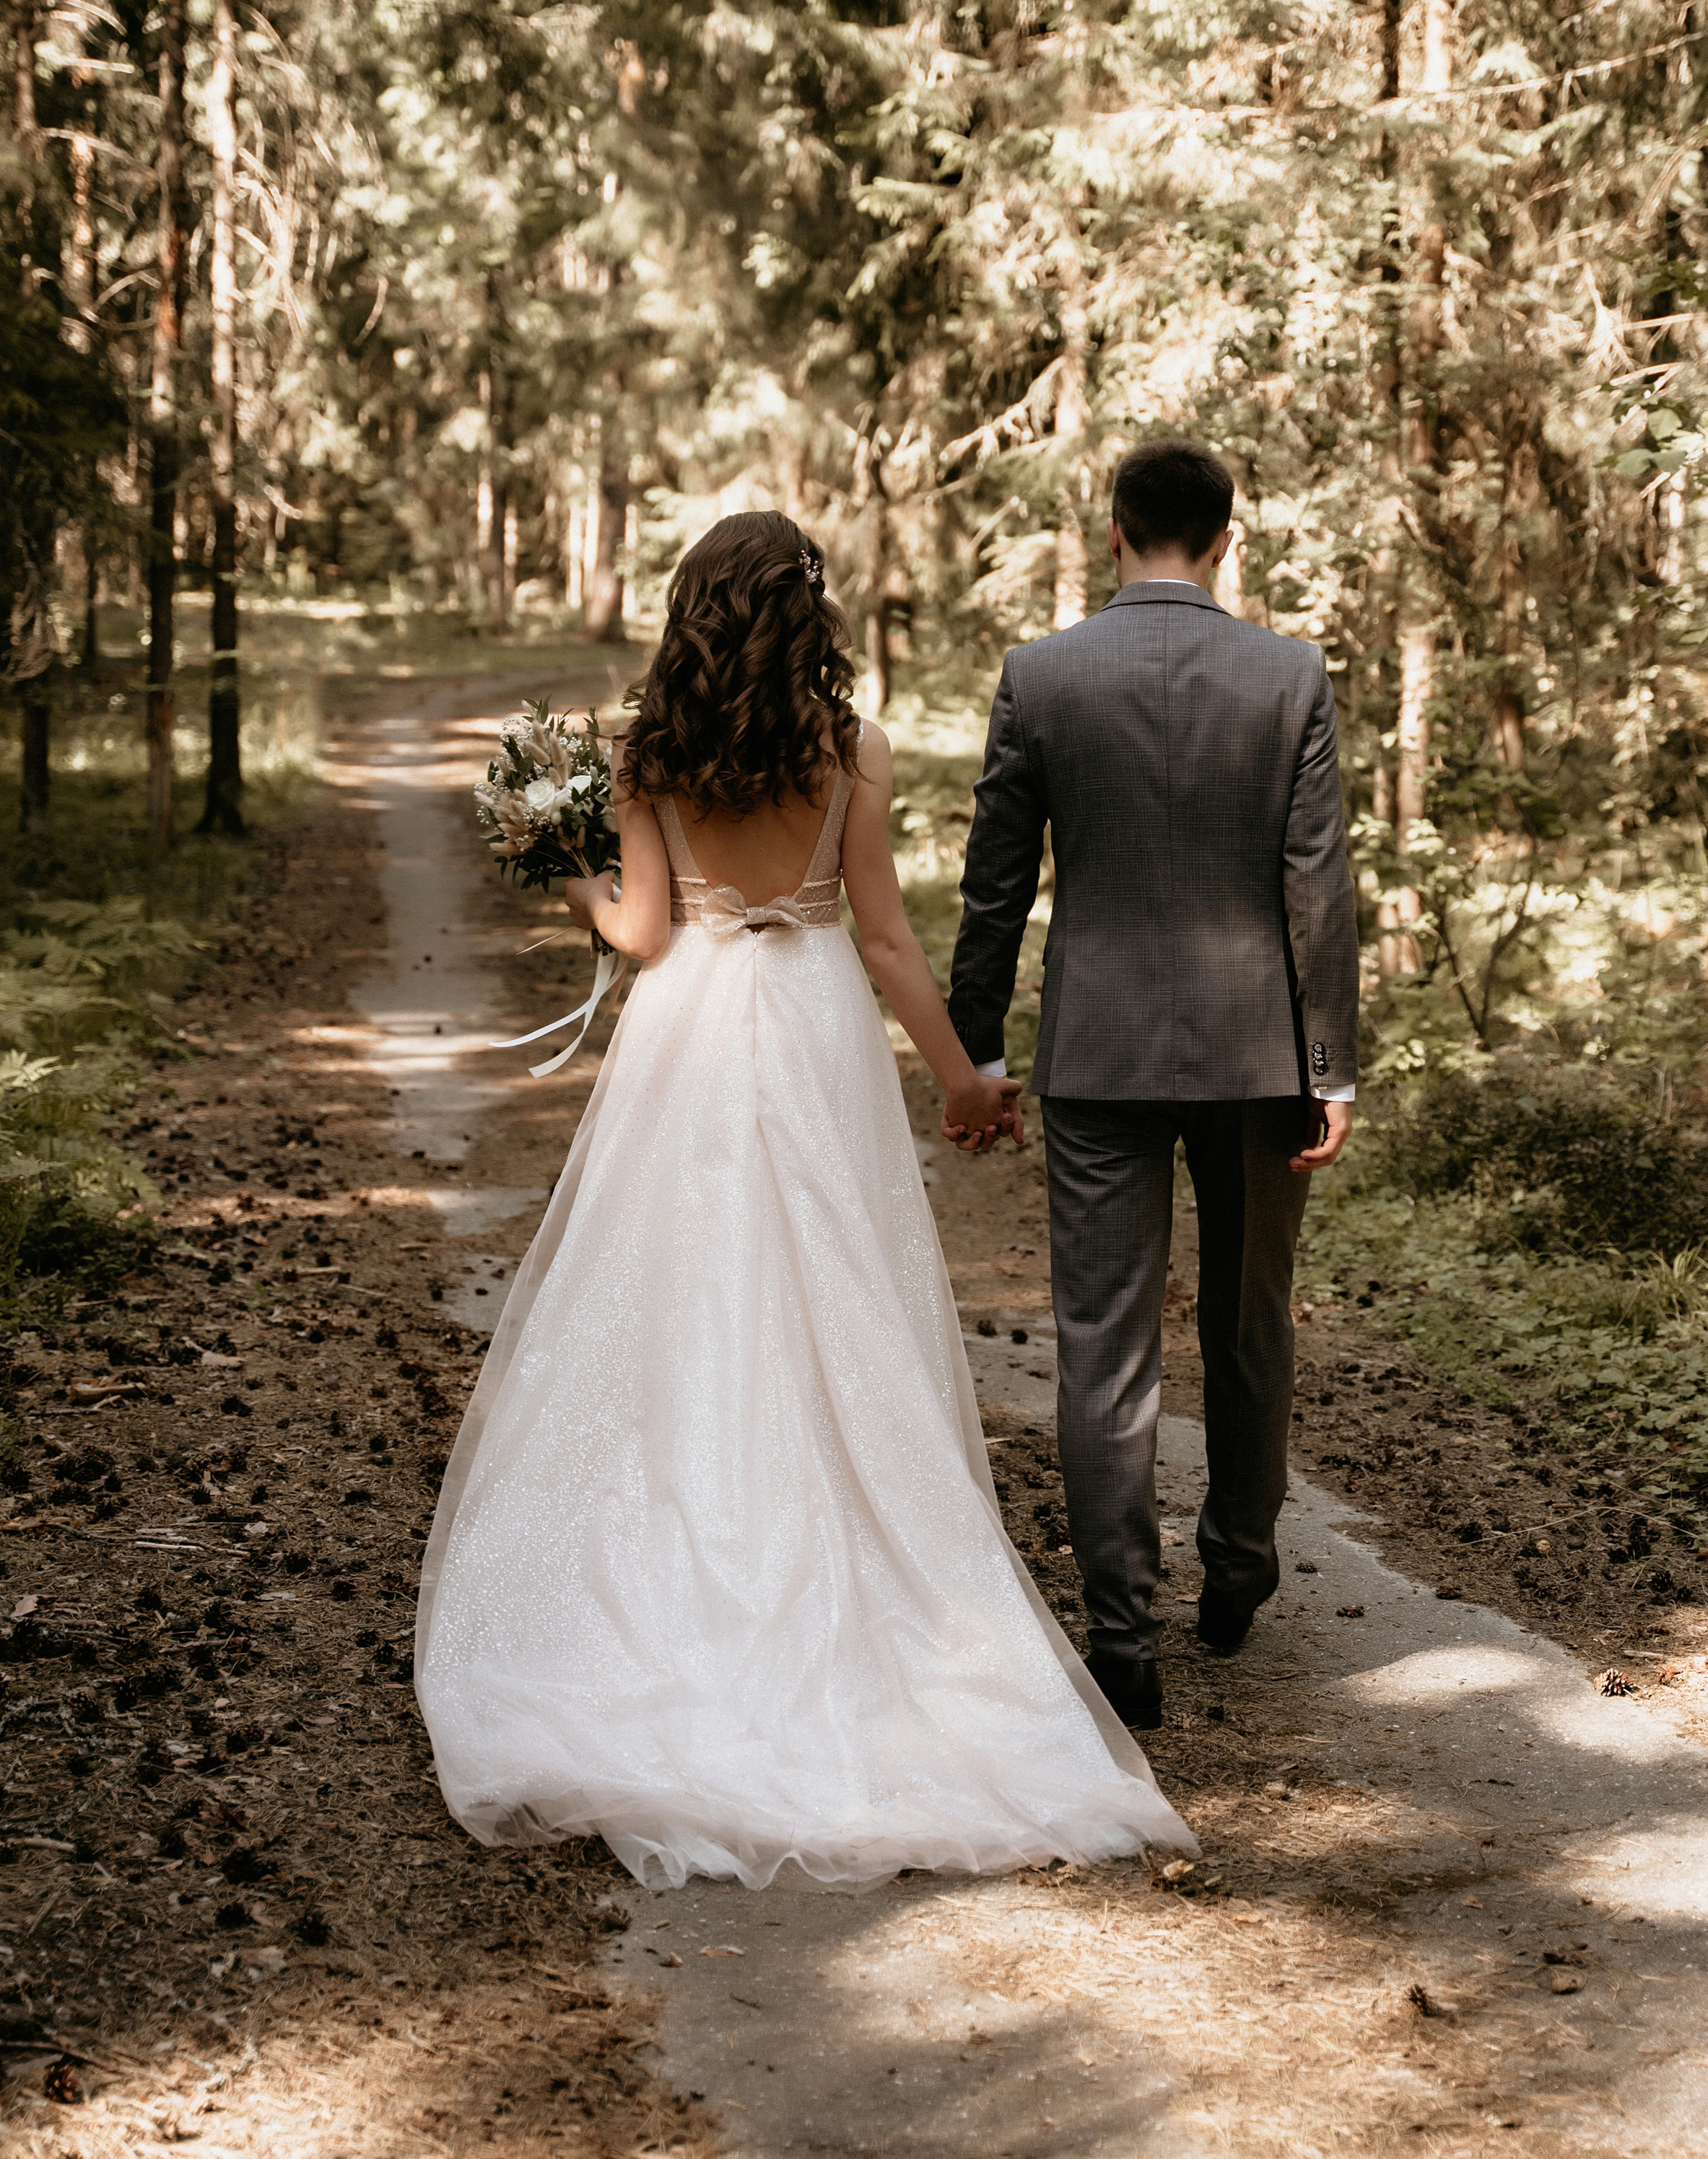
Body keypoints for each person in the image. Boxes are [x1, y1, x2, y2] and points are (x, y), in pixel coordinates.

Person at [416, 510, 1192, 1889]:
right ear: (809, 612)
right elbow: (887, 934)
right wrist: (963, 1079)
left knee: (682, 1293)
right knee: (837, 1285)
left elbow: (644, 934)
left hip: (697, 1030)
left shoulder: (648, 751)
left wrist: (582, 872)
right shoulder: (854, 748)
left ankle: (676, 1567)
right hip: (821, 1017)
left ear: (695, 610)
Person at [946, 438, 1360, 1732]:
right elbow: (1319, 891)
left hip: (1100, 1057)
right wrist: (1331, 1066)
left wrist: (983, 1051)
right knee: (1249, 1321)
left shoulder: (1043, 675)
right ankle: (1236, 1571)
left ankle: (1122, 1635)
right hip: (1257, 1058)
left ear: (1112, 532)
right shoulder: (1289, 677)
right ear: (1228, 539)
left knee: (1102, 1343)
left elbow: (995, 882)